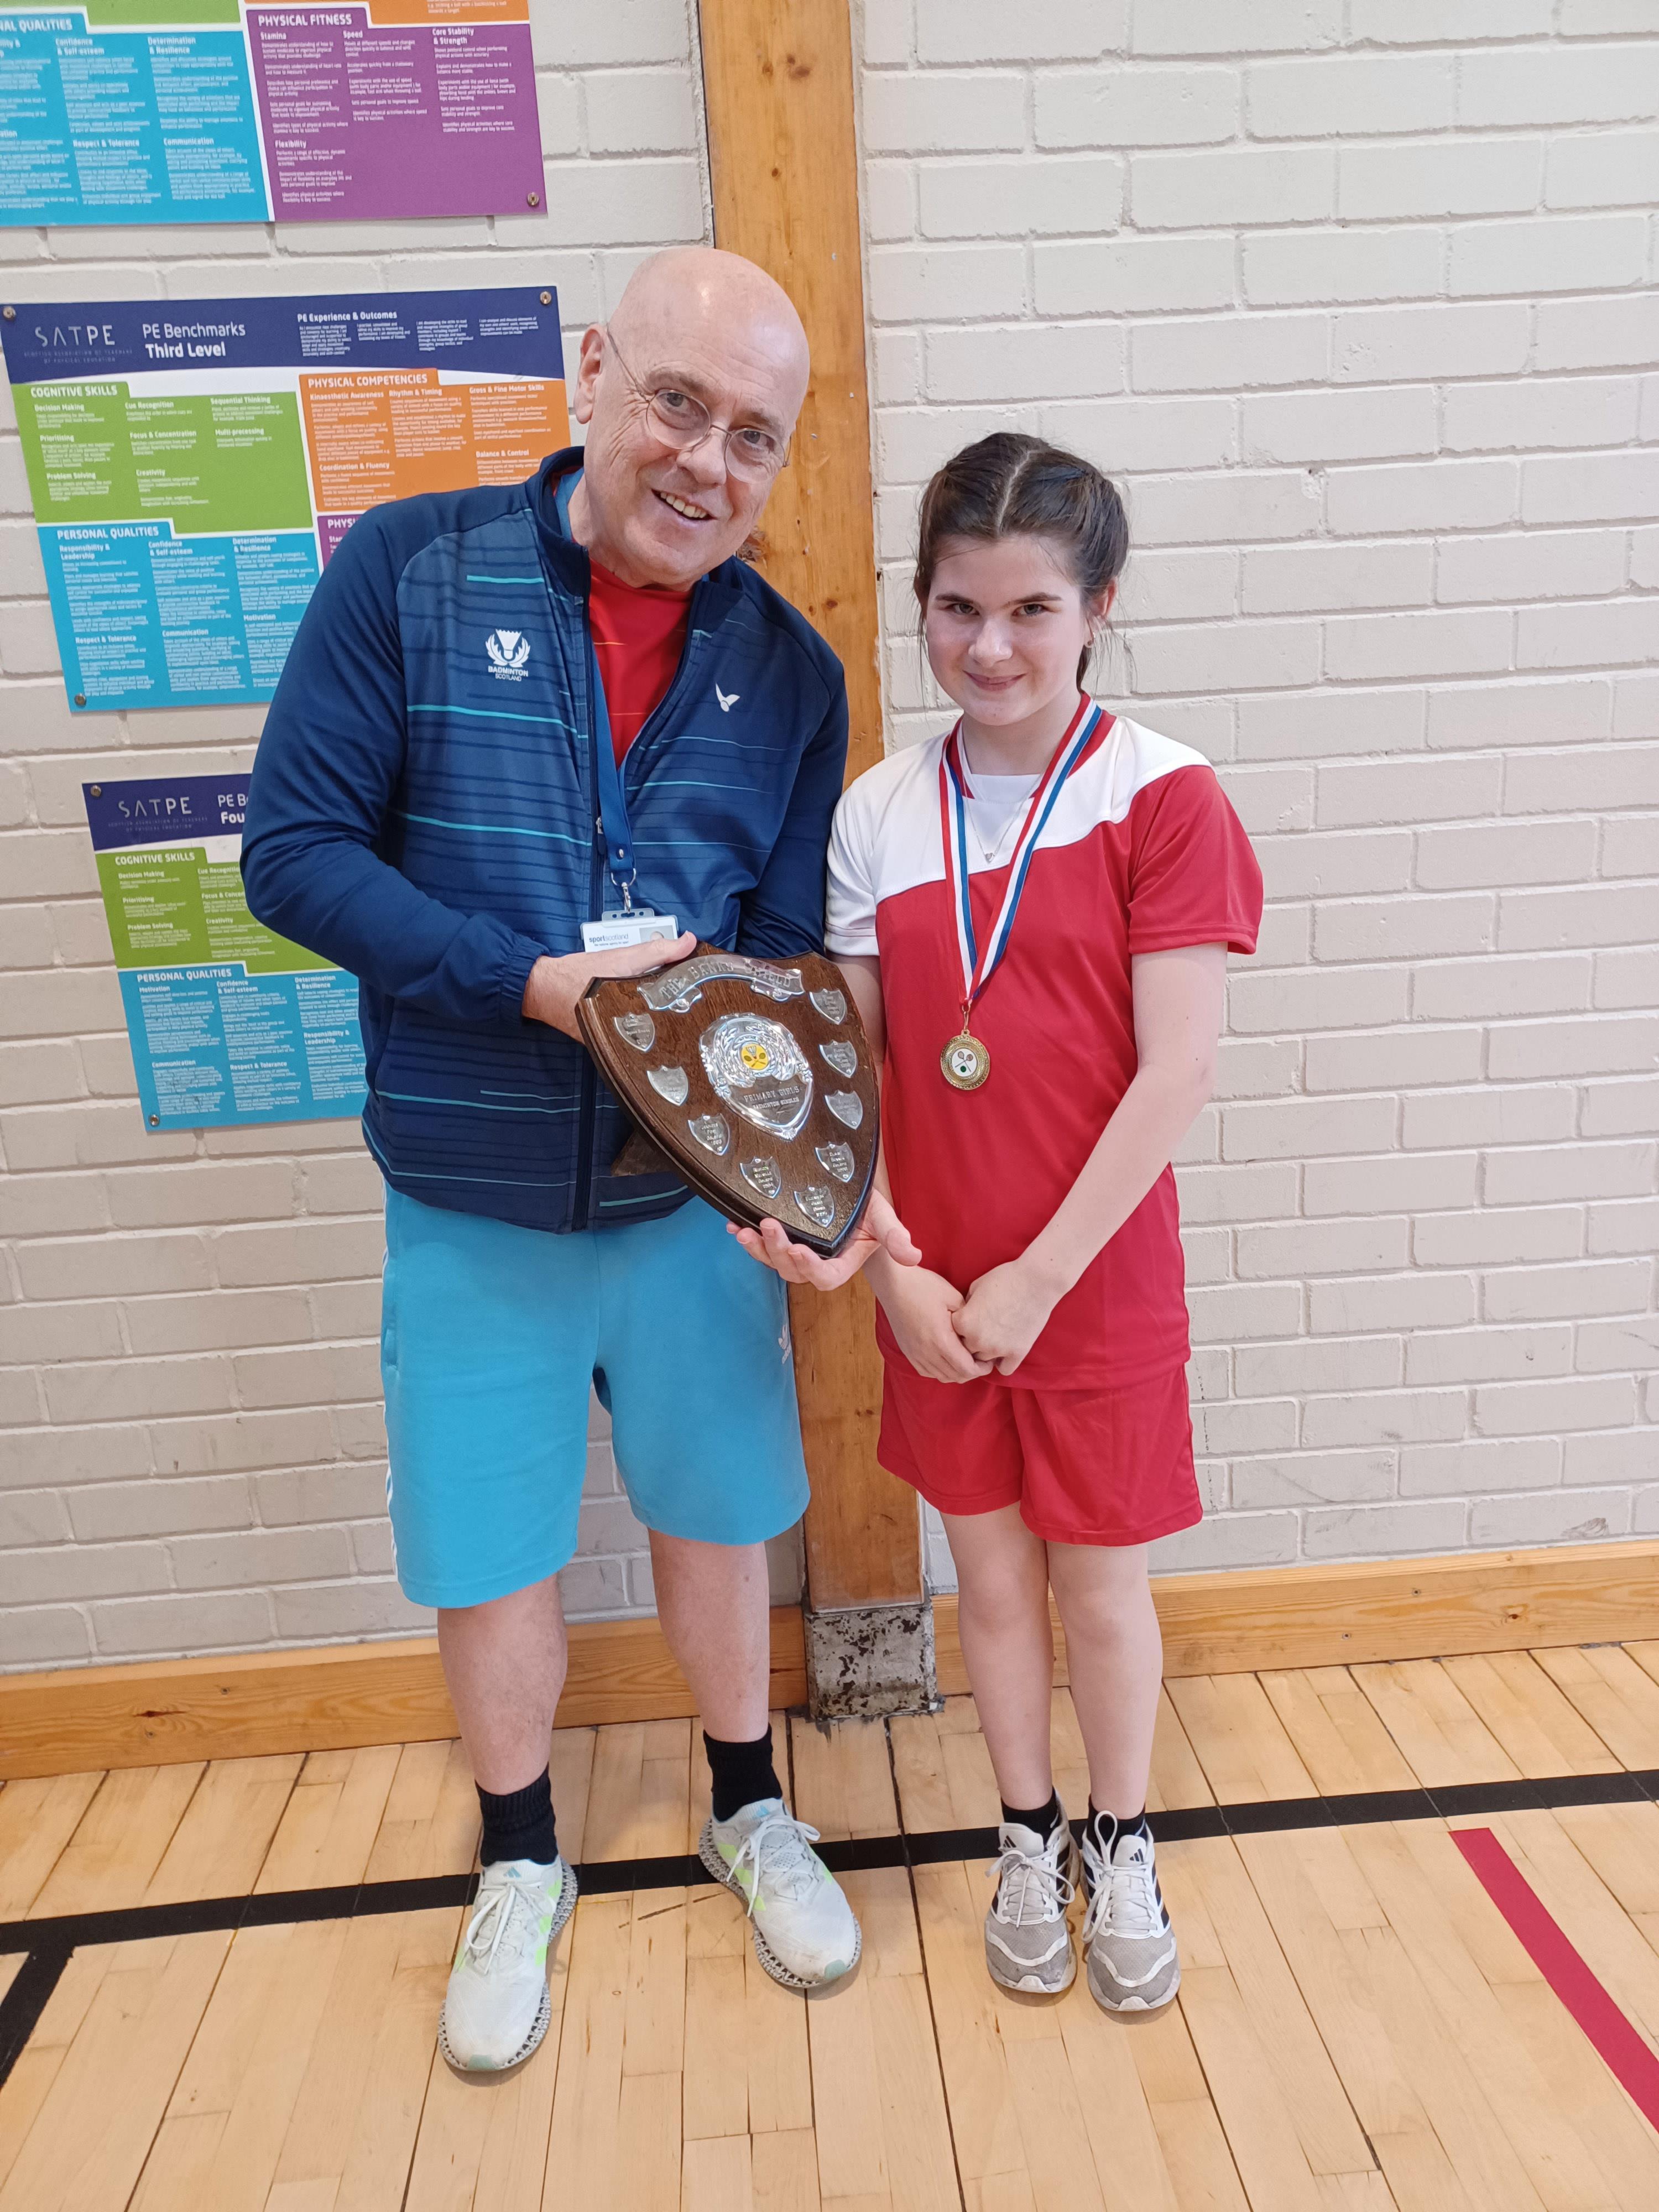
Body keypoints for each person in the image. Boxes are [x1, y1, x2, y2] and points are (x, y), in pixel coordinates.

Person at [242, 248, 910, 2073]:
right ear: (594, 371)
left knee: (724, 1519)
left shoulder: (792, 671)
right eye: (679, 403)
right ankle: (522, 1854)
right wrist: (529, 986)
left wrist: (797, 1181)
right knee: (492, 1552)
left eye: (753, 435)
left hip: (691, 1213)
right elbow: (293, 856)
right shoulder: (407, 572)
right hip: (469, 1194)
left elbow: (782, 964)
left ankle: (748, 1804)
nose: (707, 461)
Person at [736, 432, 1262, 2011]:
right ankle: (1026, 1833)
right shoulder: (879, 811)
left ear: (1099, 605)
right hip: (935, 1285)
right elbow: (857, 1072)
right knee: (991, 1582)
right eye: (958, 607)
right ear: (922, 602)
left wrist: (1039, 1275)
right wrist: (891, 1263)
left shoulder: (1163, 795)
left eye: (1032, 608)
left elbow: (1178, 1071)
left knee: (1098, 1585)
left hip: (1091, 1285)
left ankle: (1121, 1837)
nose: (991, 646)